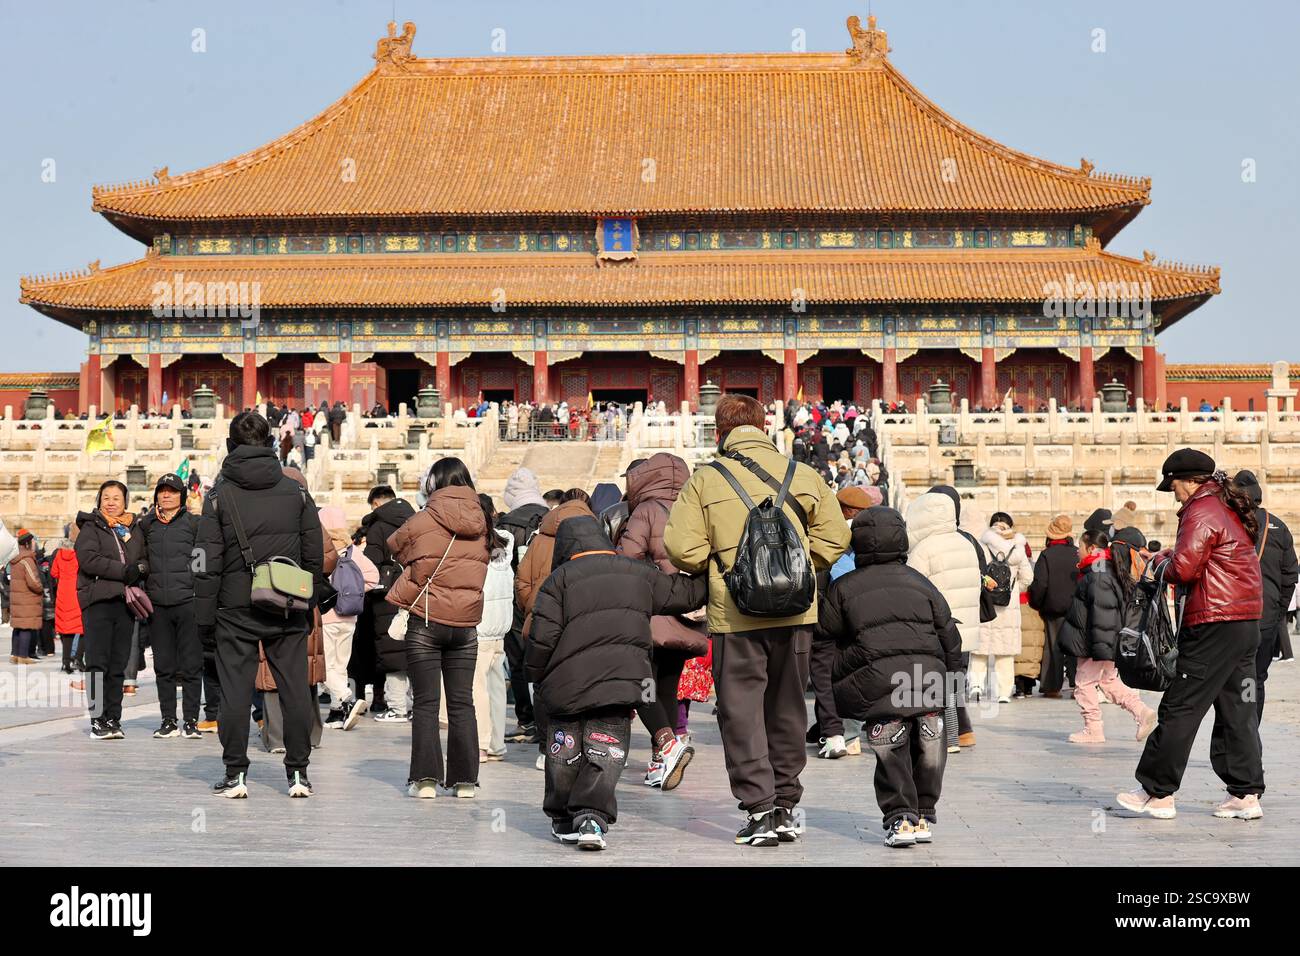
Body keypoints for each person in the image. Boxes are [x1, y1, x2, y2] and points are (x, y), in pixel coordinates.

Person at [664, 393, 850, 846]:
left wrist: (727, 567)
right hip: (796, 614)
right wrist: (798, 568)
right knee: (787, 707)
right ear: (765, 426)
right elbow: (837, 537)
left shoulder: (705, 481)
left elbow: (682, 549)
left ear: (720, 433)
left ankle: (760, 809)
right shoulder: (802, 474)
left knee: (741, 712)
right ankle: (787, 805)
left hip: (736, 616)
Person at [527, 516, 707, 850]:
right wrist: (713, 567)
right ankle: (591, 818)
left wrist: (535, 675)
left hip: (566, 685)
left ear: (564, 547)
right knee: (605, 749)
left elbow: (542, 638)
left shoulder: (558, 581)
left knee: (564, 752)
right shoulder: (638, 573)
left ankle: (564, 819)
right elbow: (685, 595)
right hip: (623, 682)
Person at [1118, 450, 1265, 821]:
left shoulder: (1201, 509)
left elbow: (1183, 570)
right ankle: (1245, 793)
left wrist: (1158, 562)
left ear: (1187, 480)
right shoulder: (1227, 505)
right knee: (1238, 708)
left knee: (1181, 705)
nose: (1175, 495)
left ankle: (1157, 791)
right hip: (1244, 622)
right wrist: (1176, 554)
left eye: (1174, 487)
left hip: (1212, 622)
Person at [196, 411, 325, 798]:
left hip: (234, 607)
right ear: (271, 443)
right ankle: (298, 773)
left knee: (235, 691)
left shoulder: (218, 497)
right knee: (295, 690)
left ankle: (236, 773)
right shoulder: (296, 491)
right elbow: (313, 553)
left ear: (230, 446)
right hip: (286, 603)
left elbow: (203, 561)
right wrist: (309, 596)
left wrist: (204, 619)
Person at [816, 506, 962, 847]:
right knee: (929, 744)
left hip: (878, 681)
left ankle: (901, 818)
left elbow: (825, 635)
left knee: (891, 747)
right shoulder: (921, 583)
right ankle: (924, 812)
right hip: (926, 680)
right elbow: (949, 633)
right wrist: (953, 678)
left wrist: (846, 666)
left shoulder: (845, 587)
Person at [387, 458, 491, 798]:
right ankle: (464, 781)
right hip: (466, 624)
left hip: (427, 620)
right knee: (462, 703)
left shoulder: (422, 519)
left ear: (435, 483)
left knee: (427, 704)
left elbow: (393, 546)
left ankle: (427, 780)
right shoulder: (483, 520)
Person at [615, 452, 703, 791]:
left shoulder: (646, 510)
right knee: (666, 686)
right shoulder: (693, 507)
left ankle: (667, 744)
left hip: (652, 615)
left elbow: (627, 560)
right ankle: (660, 761)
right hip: (688, 611)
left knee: (643, 685)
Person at [1057, 526, 1159, 744]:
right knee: (1108, 681)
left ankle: (1093, 728)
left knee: (1084, 684)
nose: (1077, 551)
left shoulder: (1099, 573)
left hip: (1097, 642)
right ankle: (1141, 712)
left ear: (1092, 548)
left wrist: (1100, 648)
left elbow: (1102, 613)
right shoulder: (1103, 569)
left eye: (1081, 546)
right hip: (1103, 640)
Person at [808, 485, 882, 759]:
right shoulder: (874, 535)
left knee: (823, 673)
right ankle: (846, 733)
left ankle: (835, 733)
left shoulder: (834, 532)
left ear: (845, 510)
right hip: (865, 612)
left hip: (831, 611)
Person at [905, 488, 982, 749]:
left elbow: (911, 590)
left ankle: (945, 736)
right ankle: (963, 731)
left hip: (938, 630)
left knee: (934, 683)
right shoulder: (967, 543)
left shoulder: (924, 549)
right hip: (967, 628)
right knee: (956, 680)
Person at [75, 480, 148, 740]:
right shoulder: (91, 527)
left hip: (125, 603)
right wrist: (123, 571)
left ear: (125, 502)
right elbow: (88, 559)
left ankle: (113, 717)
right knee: (97, 663)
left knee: (118, 664)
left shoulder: (133, 529)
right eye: (106, 497)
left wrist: (138, 569)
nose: (111, 502)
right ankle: (97, 719)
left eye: (116, 497)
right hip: (98, 601)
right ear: (99, 500)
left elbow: (142, 560)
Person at [138, 473, 204, 739]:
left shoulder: (193, 524)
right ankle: (168, 720)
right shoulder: (147, 525)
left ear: (181, 496)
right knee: (163, 666)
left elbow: (202, 559)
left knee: (191, 666)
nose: (166, 496)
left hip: (187, 602)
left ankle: (190, 720)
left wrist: (197, 586)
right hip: (158, 605)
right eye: (162, 491)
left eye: (172, 491)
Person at [1232, 471, 1297, 722]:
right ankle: (1250, 737)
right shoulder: (1278, 526)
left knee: (1234, 681)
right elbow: (1290, 574)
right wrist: (1278, 611)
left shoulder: (1229, 522)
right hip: (1266, 618)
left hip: (1234, 617)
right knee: (1256, 679)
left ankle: (1234, 738)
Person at [496, 467, 550, 741]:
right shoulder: (552, 518)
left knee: (517, 662)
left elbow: (496, 563)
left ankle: (525, 719)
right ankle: (546, 720)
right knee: (547, 659)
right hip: (550, 598)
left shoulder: (506, 523)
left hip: (515, 599)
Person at [359, 485, 416, 721]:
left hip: (387, 594)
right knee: (412, 650)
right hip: (414, 589)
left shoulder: (378, 526)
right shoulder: (415, 520)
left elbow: (371, 563)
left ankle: (396, 707)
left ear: (375, 504)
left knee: (391, 650)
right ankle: (413, 705)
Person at [319, 506, 378, 731]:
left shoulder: (323, 549)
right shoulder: (353, 551)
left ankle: (346, 698)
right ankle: (338, 713)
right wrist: (352, 591)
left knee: (325, 666)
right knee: (340, 666)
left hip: (327, 616)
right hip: (349, 616)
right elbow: (373, 577)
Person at [973, 512, 1033, 704]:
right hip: (1009, 606)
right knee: (1005, 652)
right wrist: (1013, 590)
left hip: (986, 604)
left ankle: (976, 685)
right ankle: (1004, 692)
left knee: (980, 649)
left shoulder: (981, 545)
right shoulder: (1018, 548)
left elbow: (975, 572)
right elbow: (1028, 578)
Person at [473, 494, 513, 762]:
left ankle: (482, 744)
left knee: (477, 689)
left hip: (479, 627)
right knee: (496, 688)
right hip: (500, 628)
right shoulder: (505, 544)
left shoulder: (476, 546)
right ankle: (497, 744)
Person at [1028, 514, 1080, 697]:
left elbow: (1040, 584)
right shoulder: (1077, 552)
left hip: (1053, 609)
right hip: (1076, 608)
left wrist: (1036, 603)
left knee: (1053, 647)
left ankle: (1052, 687)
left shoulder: (1046, 555)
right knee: (1075, 647)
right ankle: (1077, 686)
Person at [50, 531, 84, 676]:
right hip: (76, 594)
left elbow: (53, 573)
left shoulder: (58, 556)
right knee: (83, 629)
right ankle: (78, 658)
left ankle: (66, 662)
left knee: (66, 631)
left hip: (63, 595)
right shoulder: (78, 556)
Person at [8, 532, 43, 665]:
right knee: (26, 627)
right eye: (33, 541)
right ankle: (23, 656)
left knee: (18, 626)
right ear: (28, 543)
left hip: (18, 598)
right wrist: (40, 588)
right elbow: (33, 581)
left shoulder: (16, 558)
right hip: (27, 599)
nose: (35, 544)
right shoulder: (27, 559)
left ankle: (16, 655)